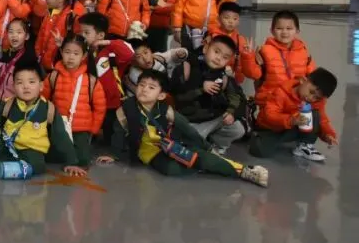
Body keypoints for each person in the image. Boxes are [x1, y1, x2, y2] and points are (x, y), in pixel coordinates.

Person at [98, 70, 269, 188]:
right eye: (141, 85)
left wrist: (206, 147)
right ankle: (207, 164)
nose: (144, 90)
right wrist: (114, 155)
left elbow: (187, 129)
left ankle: (244, 171)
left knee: (200, 156)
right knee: (171, 169)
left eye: (151, 87)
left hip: (173, 143)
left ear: (161, 95)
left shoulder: (166, 109)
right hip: (149, 153)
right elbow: (118, 135)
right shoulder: (125, 109)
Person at [0, 61, 85, 179]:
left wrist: (72, 163)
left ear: (41, 86)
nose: (26, 86)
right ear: (14, 87)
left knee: (37, 165)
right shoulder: (7, 105)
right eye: (20, 82)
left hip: (30, 149)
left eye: (31, 82)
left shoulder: (49, 109)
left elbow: (61, 137)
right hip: (6, 144)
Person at [170, 36, 247, 154]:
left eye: (225, 57)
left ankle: (217, 145)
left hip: (214, 119)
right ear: (206, 49)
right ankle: (201, 144)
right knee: (190, 141)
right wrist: (201, 89)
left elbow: (238, 97)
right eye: (216, 52)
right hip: (191, 121)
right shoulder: (187, 68)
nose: (218, 58)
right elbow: (178, 97)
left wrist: (232, 113)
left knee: (238, 129)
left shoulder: (225, 77)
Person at [250, 68, 338, 163]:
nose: (311, 98)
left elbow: (322, 120)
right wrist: (291, 120)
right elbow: (269, 115)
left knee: (315, 114)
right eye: (311, 92)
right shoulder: (281, 92)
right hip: (270, 129)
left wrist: (328, 135)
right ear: (303, 80)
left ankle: (305, 145)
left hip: (291, 129)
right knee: (260, 152)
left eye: (317, 98)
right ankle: (257, 136)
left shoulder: (317, 102)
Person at [42, 36, 105, 167]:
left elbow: (100, 107)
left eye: (76, 53)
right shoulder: (53, 76)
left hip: (81, 129)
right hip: (58, 127)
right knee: (50, 158)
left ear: (84, 56)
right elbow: (42, 101)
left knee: (82, 160)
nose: (71, 57)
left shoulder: (91, 80)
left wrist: (93, 129)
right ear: (61, 52)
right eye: (67, 52)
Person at [247, 10, 315, 109]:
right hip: (270, 102)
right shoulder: (264, 51)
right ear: (272, 31)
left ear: (297, 31)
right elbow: (252, 74)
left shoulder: (303, 52)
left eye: (289, 28)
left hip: (297, 102)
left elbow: (312, 78)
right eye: (279, 28)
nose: (284, 32)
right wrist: (248, 56)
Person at [0, 18, 31, 112]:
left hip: (15, 106)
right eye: (11, 32)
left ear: (26, 36)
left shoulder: (28, 59)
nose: (14, 35)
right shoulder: (3, 55)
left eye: (19, 32)